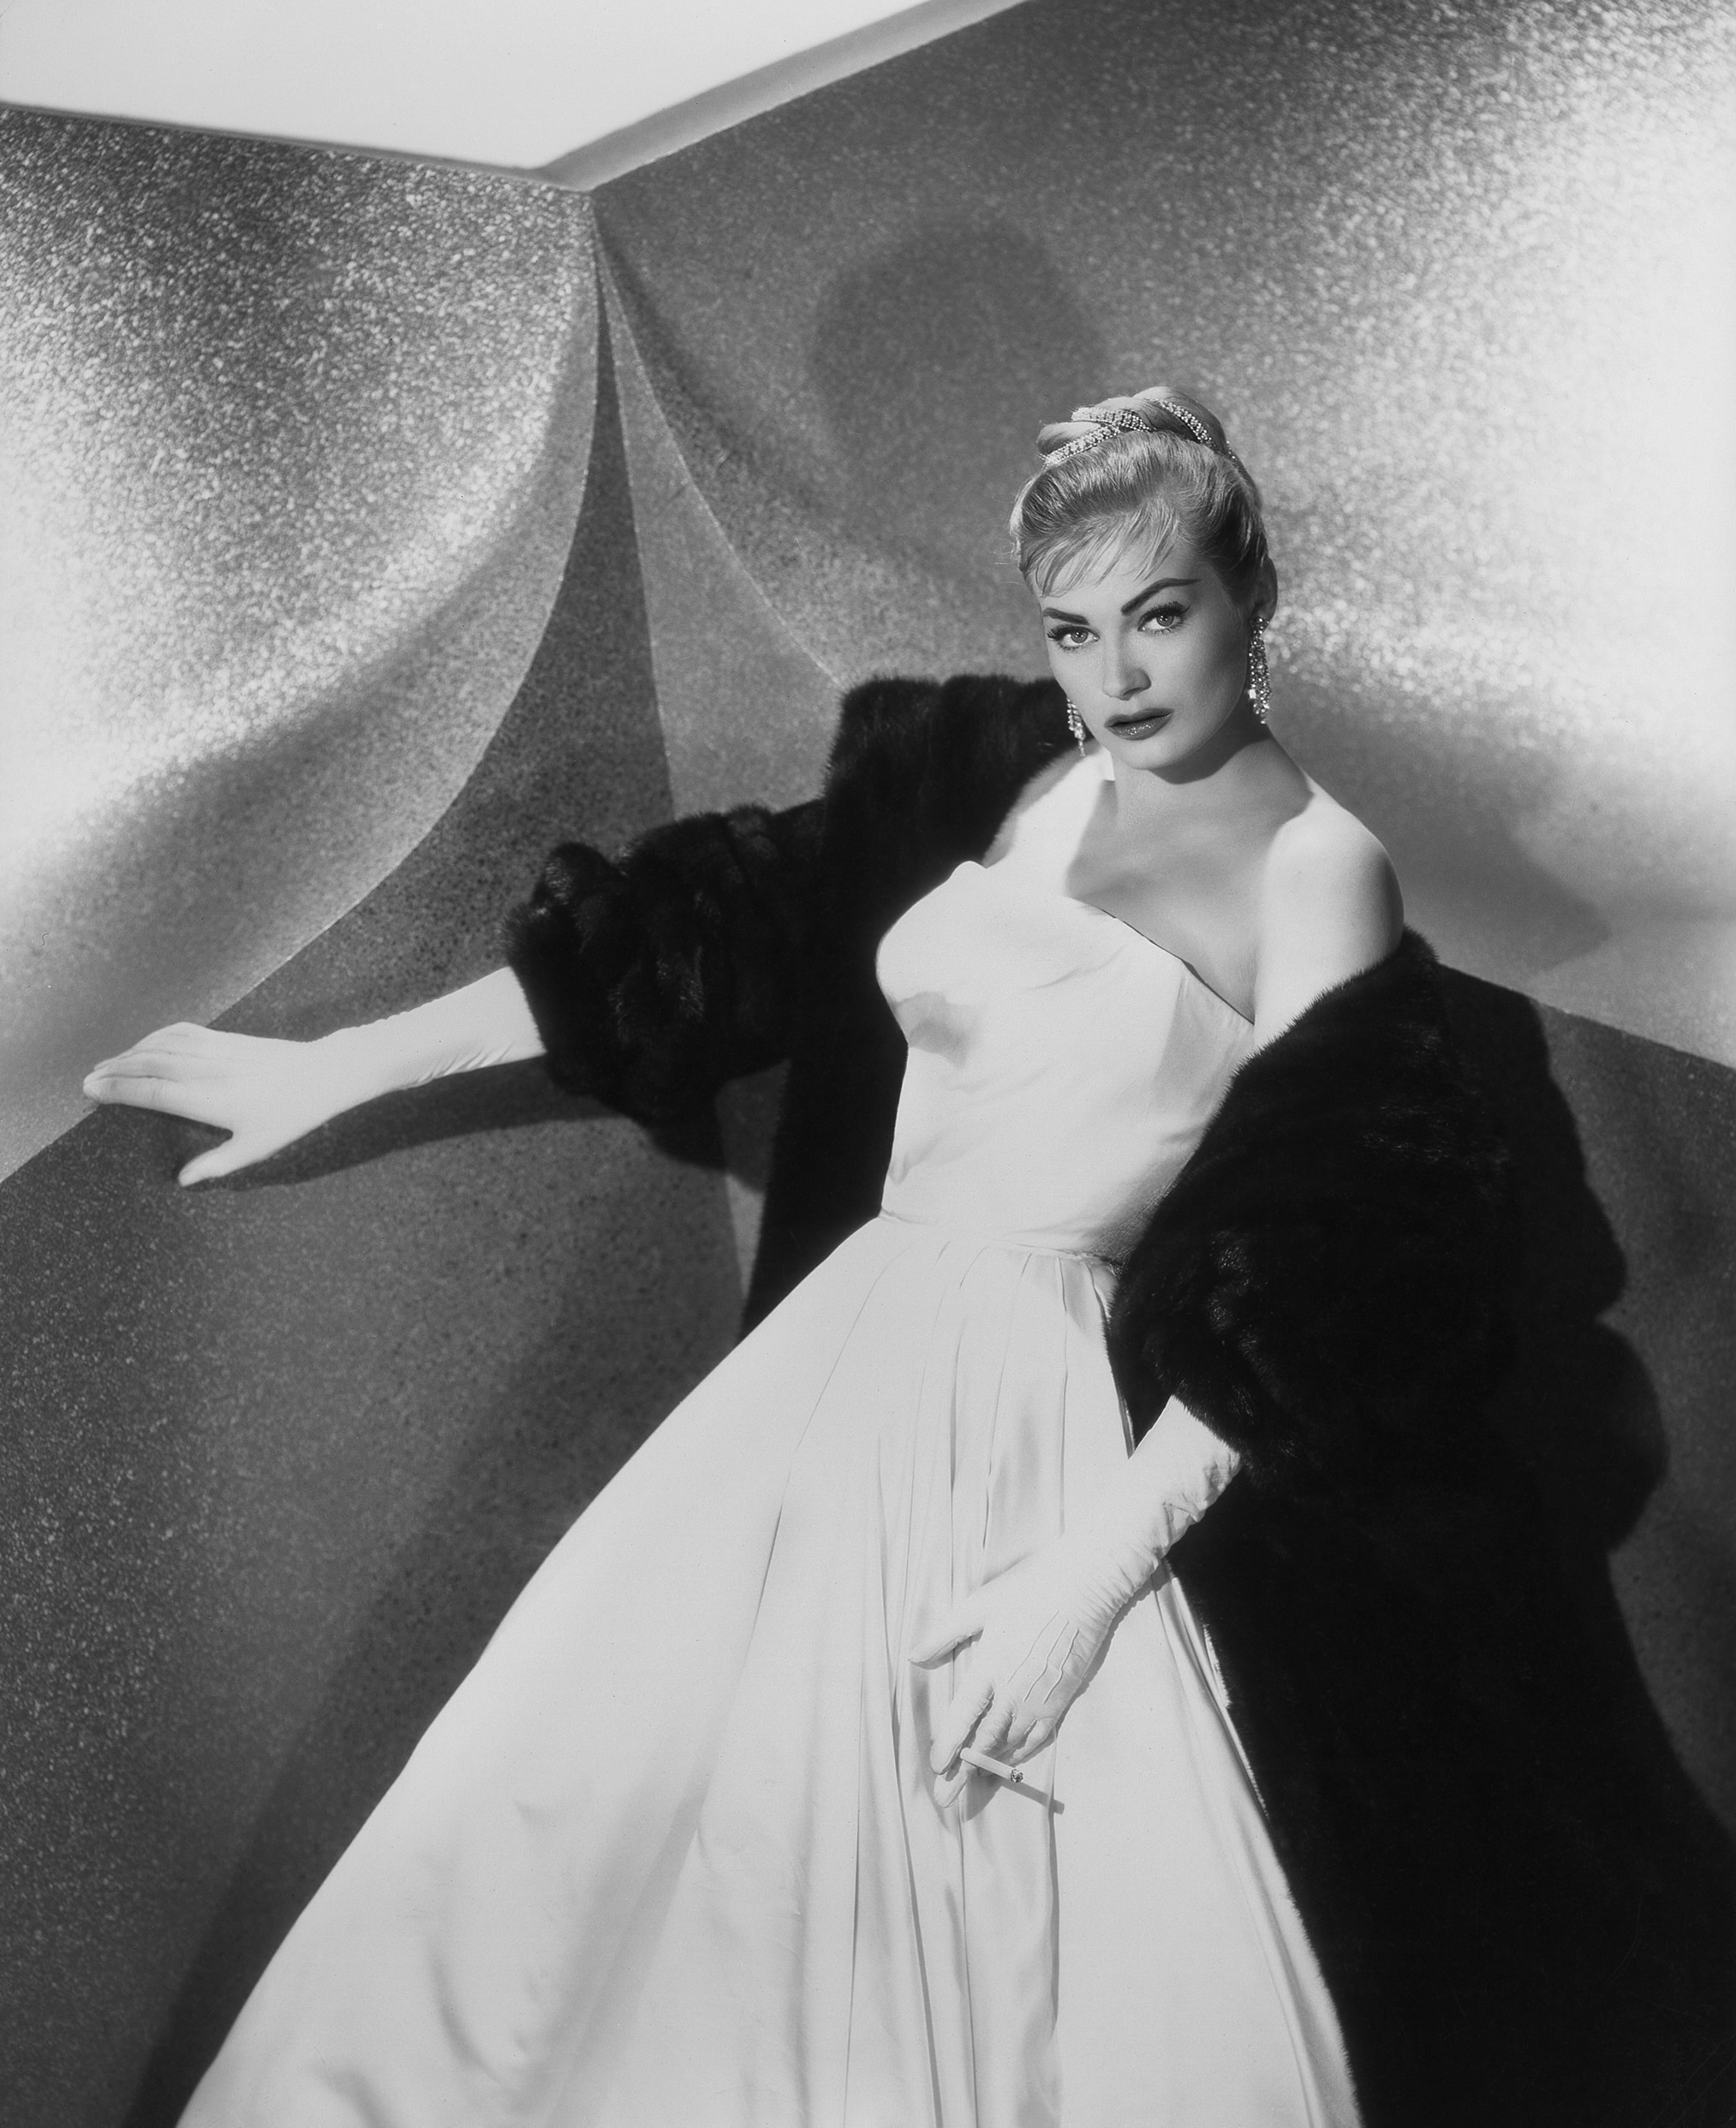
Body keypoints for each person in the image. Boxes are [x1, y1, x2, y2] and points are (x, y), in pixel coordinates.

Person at [85, 390, 1685, 2128]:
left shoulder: (1319, 868)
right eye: (1073, 627)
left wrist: (1088, 1583)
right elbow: (709, 936)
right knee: (580, 1856)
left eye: (1159, 614)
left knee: (977, 1945)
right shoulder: (1003, 768)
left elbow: (1337, 1263)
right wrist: (340, 1064)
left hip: (1042, 1430)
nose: (1118, 673)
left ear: (1254, 600)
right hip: (824, 1381)